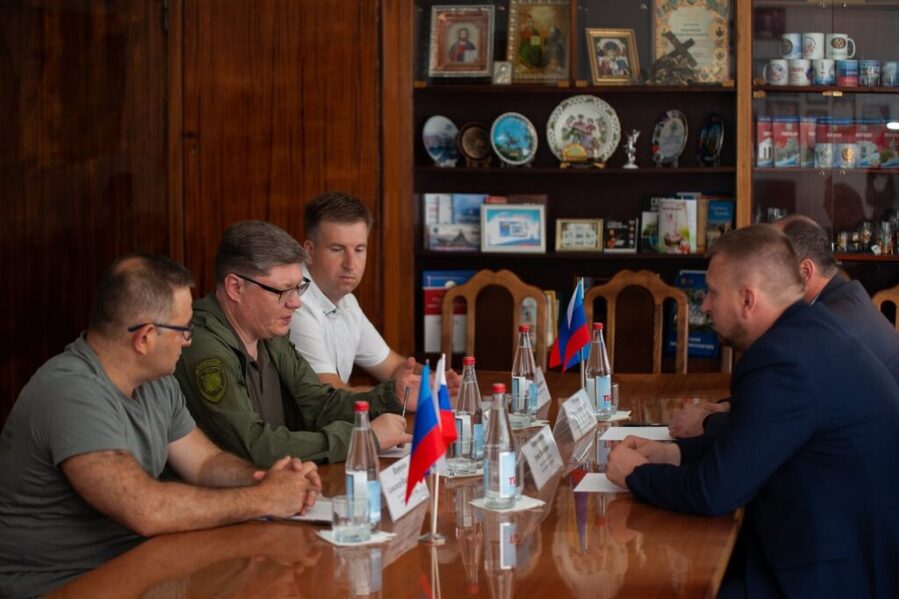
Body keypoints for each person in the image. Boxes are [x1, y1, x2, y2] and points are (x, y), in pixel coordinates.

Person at [0, 254, 321, 598]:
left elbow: (204, 464)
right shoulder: (69, 391)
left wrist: (267, 479)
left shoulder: (157, 380)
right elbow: (145, 509)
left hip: (139, 568)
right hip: (64, 585)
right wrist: (263, 498)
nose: (189, 340)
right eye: (185, 329)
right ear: (145, 338)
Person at [607, 225, 899, 597]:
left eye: (712, 292)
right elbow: (749, 441)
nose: (705, 305)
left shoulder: (781, 359)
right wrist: (672, 452)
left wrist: (636, 474)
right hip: (843, 549)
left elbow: (715, 492)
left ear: (748, 299)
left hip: (832, 577)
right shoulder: (811, 329)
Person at [175, 220, 413, 467]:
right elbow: (255, 446)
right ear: (236, 287)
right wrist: (362, 438)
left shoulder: (269, 331)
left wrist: (389, 397)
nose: (296, 303)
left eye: (298, 288)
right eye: (283, 291)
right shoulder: (202, 346)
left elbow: (319, 404)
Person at [669, 214, 899, 438]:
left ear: (805, 272)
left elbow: (775, 424)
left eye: (775, 259)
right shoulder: (844, 297)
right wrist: (725, 408)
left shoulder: (826, 325)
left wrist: (706, 422)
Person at [290, 192, 459, 393]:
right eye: (337, 249)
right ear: (309, 251)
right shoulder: (294, 301)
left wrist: (437, 380)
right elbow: (331, 395)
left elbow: (393, 367)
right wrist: (401, 393)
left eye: (359, 250)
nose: (351, 264)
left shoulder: (347, 301)